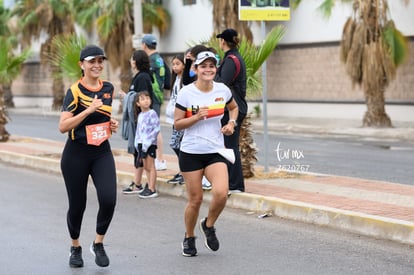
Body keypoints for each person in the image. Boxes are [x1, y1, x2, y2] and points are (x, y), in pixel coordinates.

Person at [59, 45, 119, 268]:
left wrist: (111, 125)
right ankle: (75, 247)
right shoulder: (74, 91)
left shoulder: (109, 88)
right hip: (76, 154)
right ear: (81, 65)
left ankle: (98, 242)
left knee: (109, 199)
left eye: (100, 61)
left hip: (101, 152)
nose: (97, 65)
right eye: (92, 61)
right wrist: (87, 110)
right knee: (78, 205)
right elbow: (63, 126)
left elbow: (103, 119)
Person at [174, 51, 239, 257]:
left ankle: (208, 225)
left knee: (221, 192)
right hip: (191, 152)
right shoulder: (186, 93)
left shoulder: (222, 90)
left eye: (212, 66)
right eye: (203, 66)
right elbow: (177, 123)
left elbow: (234, 107)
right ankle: (189, 236)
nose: (208, 69)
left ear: (216, 68)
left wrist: (231, 123)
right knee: (196, 199)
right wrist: (195, 117)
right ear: (196, 69)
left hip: (215, 150)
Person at [215, 29, 248, 193]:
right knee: (228, 145)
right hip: (235, 106)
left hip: (232, 108)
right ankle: (232, 183)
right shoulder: (232, 58)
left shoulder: (230, 60)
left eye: (220, 40)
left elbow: (221, 84)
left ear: (223, 42)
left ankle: (236, 185)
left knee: (230, 145)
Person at [121, 50, 155, 195]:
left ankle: (148, 186)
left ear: (136, 61)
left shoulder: (142, 78)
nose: (130, 60)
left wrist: (127, 97)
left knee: (146, 158)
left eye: (132, 58)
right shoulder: (140, 76)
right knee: (138, 154)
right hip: (139, 122)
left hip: (143, 126)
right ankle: (138, 183)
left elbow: (141, 98)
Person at [142, 34, 167, 171]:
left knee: (155, 128)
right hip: (158, 96)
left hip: (152, 98)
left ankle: (160, 159)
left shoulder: (150, 61)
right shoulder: (160, 59)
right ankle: (159, 158)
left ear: (144, 45)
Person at [134, 91, 160, 198]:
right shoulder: (140, 115)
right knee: (145, 166)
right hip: (141, 144)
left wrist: (148, 142)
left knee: (151, 165)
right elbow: (139, 131)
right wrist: (137, 143)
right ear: (138, 103)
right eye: (143, 99)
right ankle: (149, 185)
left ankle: (152, 188)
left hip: (149, 144)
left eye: (148, 98)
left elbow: (156, 129)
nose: (146, 101)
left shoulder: (152, 113)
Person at [166, 54, 185, 185]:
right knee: (177, 144)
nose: (174, 67)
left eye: (178, 64)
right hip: (173, 117)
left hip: (181, 119)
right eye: (173, 64)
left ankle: (185, 172)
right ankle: (182, 171)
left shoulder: (185, 80)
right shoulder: (176, 79)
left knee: (176, 144)